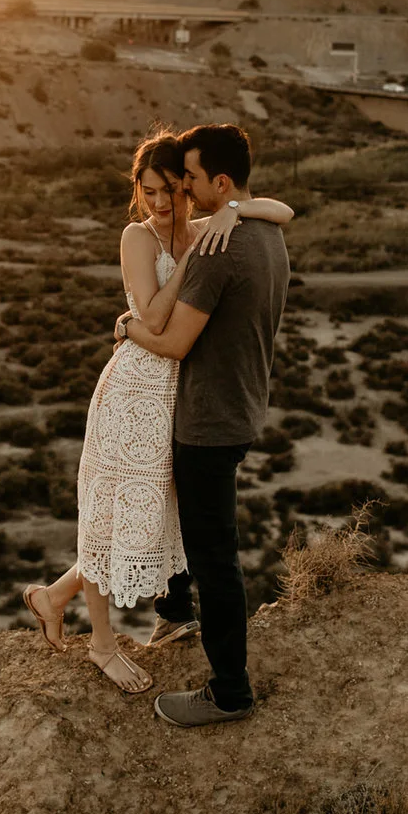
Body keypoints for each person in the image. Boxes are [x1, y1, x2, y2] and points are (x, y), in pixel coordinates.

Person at [21, 130, 292, 694]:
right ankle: (101, 645)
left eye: (171, 189)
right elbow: (154, 319)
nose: (162, 202)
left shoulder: (211, 225)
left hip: (177, 396)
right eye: (149, 191)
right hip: (134, 391)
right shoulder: (137, 237)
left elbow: (283, 210)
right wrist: (183, 267)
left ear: (191, 188)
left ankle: (52, 597)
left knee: (153, 522)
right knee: (109, 517)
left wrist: (237, 209)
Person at [117, 122, 288, 727]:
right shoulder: (264, 232)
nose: (181, 190)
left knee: (215, 558)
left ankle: (229, 691)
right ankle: (174, 611)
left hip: (208, 422)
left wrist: (126, 328)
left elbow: (174, 343)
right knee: (204, 545)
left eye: (188, 178)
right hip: (242, 407)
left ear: (218, 182)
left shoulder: (218, 250)